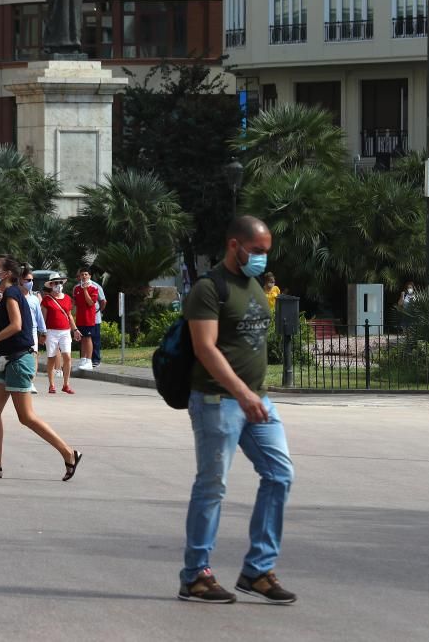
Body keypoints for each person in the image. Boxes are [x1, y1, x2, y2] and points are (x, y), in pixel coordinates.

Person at [178, 215, 296, 605]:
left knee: (279, 474)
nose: (262, 259)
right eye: (257, 251)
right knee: (212, 486)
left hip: (257, 400)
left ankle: (258, 569)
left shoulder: (254, 286)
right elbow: (205, 348)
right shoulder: (209, 289)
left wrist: (255, 394)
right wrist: (243, 393)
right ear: (235, 245)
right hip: (218, 400)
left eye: (266, 252)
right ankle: (196, 574)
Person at [0, 254, 81, 481]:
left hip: (19, 360)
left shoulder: (11, 293)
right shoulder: (10, 293)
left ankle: (69, 453)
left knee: (26, 416)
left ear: (7, 273)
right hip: (8, 359)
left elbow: (17, 325)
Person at [41, 273, 82, 394]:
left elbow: (69, 315)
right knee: (51, 358)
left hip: (65, 331)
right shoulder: (46, 300)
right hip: (51, 332)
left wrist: (75, 329)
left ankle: (66, 384)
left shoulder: (67, 298)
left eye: (60, 283)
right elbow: (43, 318)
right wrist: (42, 333)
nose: (58, 285)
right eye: (55, 283)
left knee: (67, 357)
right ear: (51, 285)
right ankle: (51, 384)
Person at [20, 266, 47, 394]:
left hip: (32, 330)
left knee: (33, 356)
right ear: (20, 280)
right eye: (27, 280)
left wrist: (43, 331)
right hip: (19, 330)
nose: (30, 283)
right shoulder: (15, 297)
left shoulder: (35, 299)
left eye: (31, 280)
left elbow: (39, 316)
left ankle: (31, 382)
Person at [72, 266, 99, 371]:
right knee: (82, 339)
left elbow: (90, 302)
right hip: (80, 318)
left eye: (86, 274)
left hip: (89, 318)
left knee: (88, 338)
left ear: (89, 276)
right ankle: (82, 360)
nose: (83, 276)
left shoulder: (94, 288)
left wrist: (85, 290)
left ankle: (89, 360)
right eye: (82, 274)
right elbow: (75, 304)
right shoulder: (77, 288)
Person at [89, 275, 106, 368]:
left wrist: (98, 311)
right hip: (83, 319)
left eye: (84, 274)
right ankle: (87, 359)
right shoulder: (77, 287)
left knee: (95, 339)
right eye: (79, 275)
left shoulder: (95, 286)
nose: (80, 277)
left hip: (95, 319)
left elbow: (103, 301)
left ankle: (96, 359)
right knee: (85, 339)